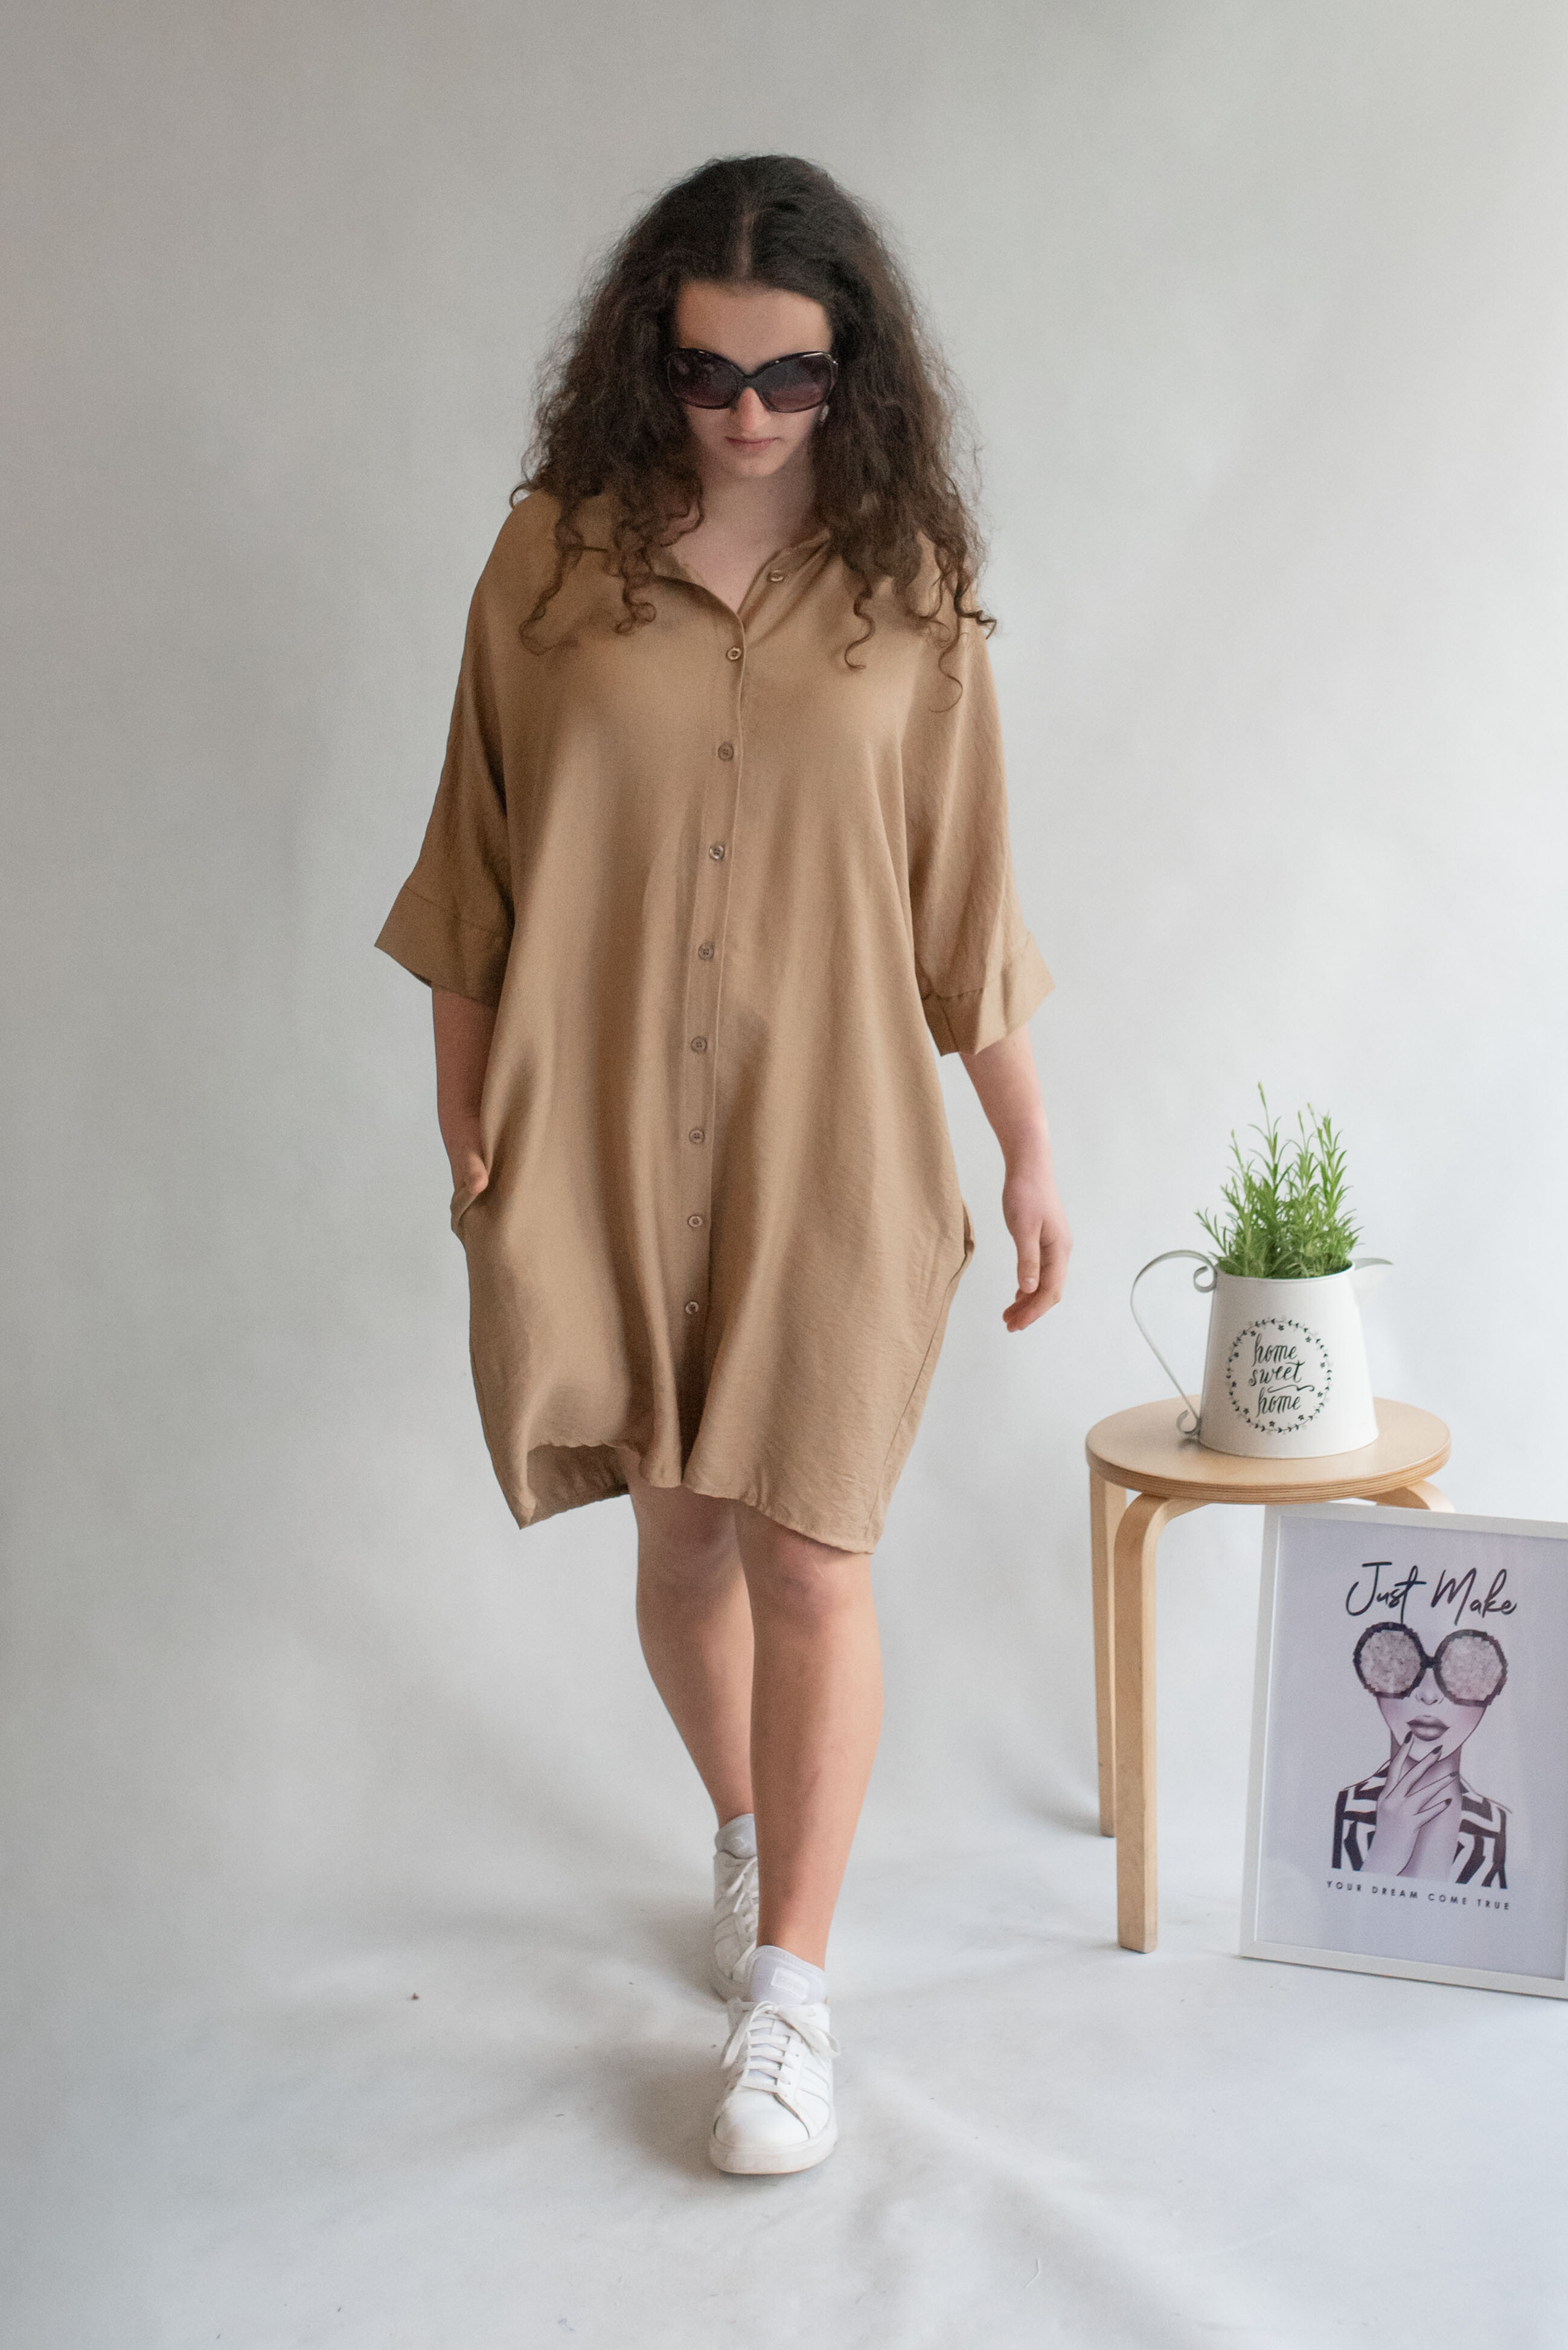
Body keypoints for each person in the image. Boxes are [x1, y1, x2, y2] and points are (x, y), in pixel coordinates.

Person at [375, 154, 1070, 2176]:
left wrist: (1028, 1148)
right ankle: (750, 1828)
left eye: (791, 376)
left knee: (810, 1549)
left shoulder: (908, 584)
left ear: (855, 372)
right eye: (704, 374)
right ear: (645, 358)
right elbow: (477, 854)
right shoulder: (549, 561)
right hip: (600, 1121)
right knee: (678, 1536)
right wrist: (462, 1106)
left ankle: (791, 1997)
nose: (748, 415)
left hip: (829, 1137)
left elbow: (964, 904)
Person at [1333, 1622, 1508, 1887]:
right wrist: (1382, 1858)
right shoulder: (1336, 1811)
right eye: (1397, 1663)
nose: (1428, 1695)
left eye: (1463, 1670)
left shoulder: (1504, 1828)